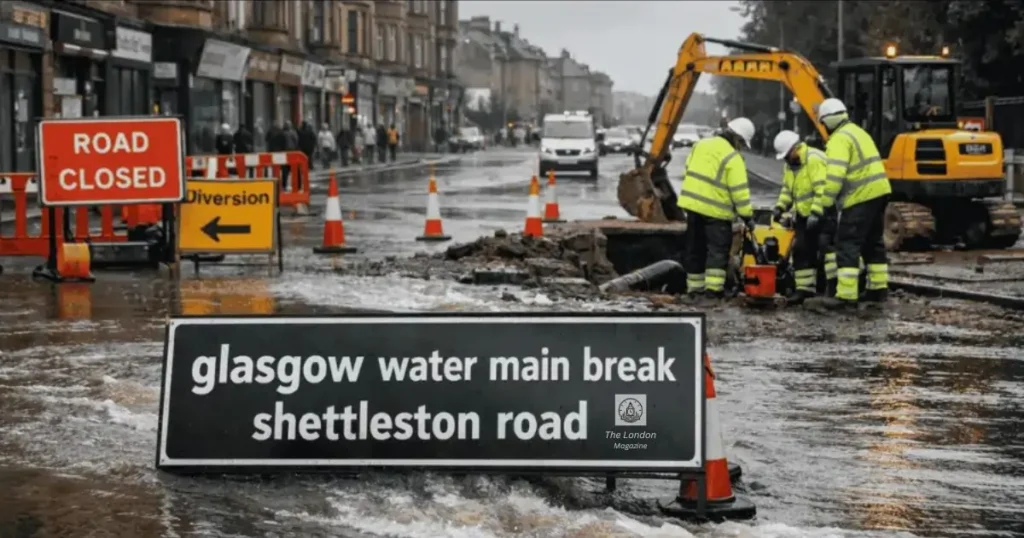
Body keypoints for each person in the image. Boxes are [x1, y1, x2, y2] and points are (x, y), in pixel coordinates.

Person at [806, 98, 893, 311]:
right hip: (880, 192)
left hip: (859, 196)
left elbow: (835, 176)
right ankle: (878, 290)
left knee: (847, 243)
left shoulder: (838, 139)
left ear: (827, 121)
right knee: (874, 242)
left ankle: (845, 296)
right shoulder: (858, 132)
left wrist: (822, 206)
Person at [677, 117, 757, 300]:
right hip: (716, 212)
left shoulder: (701, 145)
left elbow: (688, 168)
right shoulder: (732, 157)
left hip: (692, 207)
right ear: (737, 138)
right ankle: (713, 292)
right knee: (717, 251)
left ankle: (694, 291)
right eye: (742, 143)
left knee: (695, 248)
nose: (742, 147)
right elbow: (739, 191)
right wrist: (747, 216)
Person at [771, 130, 827, 304]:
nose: (786, 160)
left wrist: (816, 213)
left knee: (826, 251)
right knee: (801, 250)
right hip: (804, 214)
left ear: (796, 148)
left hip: (823, 213)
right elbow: (788, 189)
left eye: (787, 155)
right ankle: (805, 289)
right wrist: (781, 206)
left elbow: (822, 189)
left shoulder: (814, 160)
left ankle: (830, 289)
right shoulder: (791, 165)